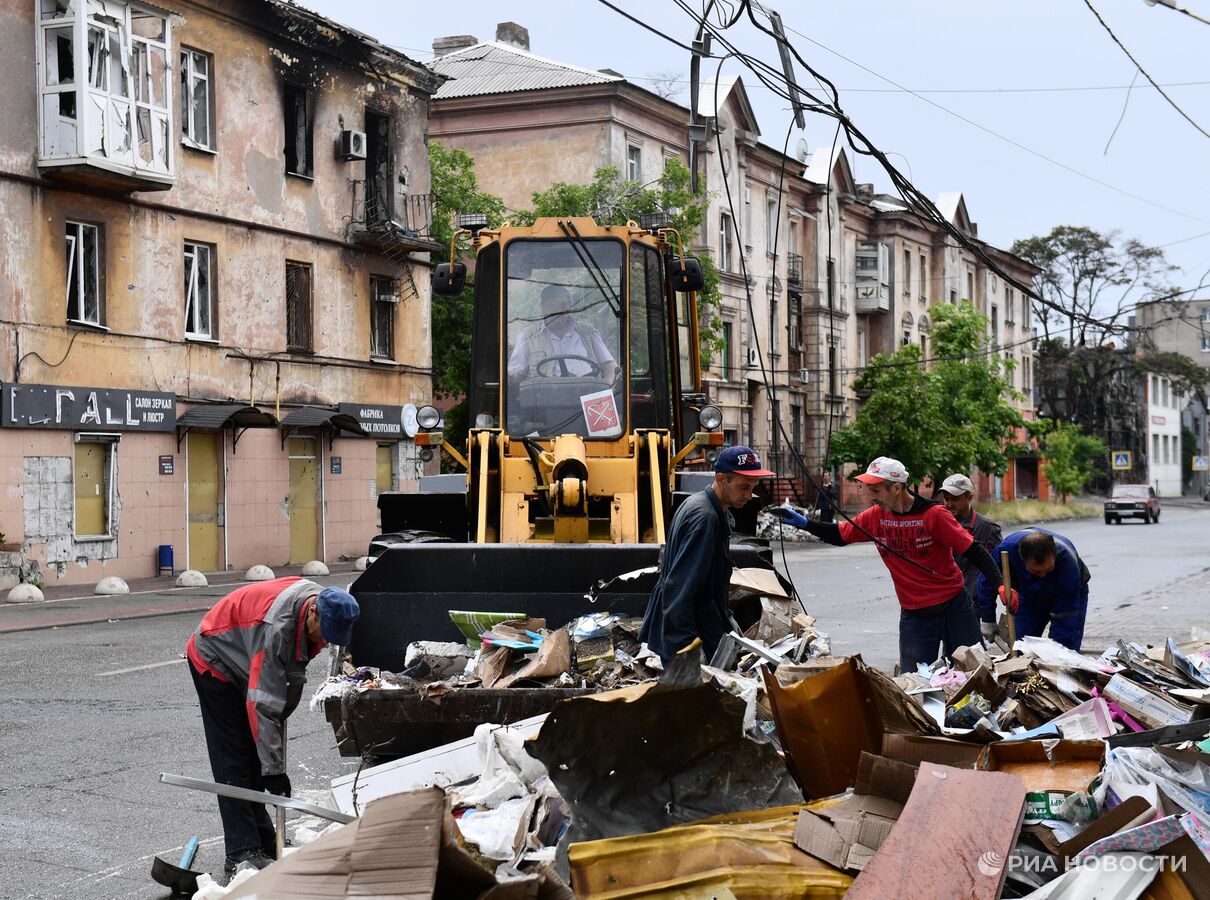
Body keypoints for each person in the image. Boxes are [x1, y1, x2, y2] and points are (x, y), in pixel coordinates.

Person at [186, 577, 359, 877]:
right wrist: (275, 770)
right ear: (313, 613)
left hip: (244, 657)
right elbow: (264, 705)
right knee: (235, 758)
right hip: (215, 658)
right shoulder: (278, 630)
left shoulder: (324, 607)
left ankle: (264, 841)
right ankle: (241, 851)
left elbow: (282, 690)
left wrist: (269, 762)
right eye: (325, 633)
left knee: (256, 754)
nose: (327, 642)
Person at [775, 457, 1010, 671]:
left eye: (876, 490)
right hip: (914, 613)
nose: (871, 496)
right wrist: (805, 523)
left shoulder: (935, 515)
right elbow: (840, 535)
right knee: (916, 682)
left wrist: (999, 584)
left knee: (973, 672)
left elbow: (973, 549)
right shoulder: (875, 516)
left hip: (954, 606)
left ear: (896, 488)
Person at [640, 445, 775, 664]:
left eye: (752, 487)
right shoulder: (705, 518)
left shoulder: (703, 506)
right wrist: (687, 648)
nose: (749, 495)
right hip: (689, 637)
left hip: (698, 629)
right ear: (722, 479)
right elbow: (681, 587)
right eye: (743, 487)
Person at [976, 529, 1090, 651]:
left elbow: (1065, 619)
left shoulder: (1068, 564)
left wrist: (1057, 655)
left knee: (1065, 649)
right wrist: (988, 618)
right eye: (1036, 571)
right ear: (1022, 559)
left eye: (1048, 569)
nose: (1042, 575)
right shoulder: (1007, 550)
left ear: (1054, 555)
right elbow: (987, 581)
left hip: (1069, 594)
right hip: (1029, 595)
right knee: (1021, 645)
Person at [507, 284, 617, 382]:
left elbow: (609, 366)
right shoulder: (527, 337)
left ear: (569, 306)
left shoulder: (588, 332)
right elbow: (516, 375)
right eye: (551, 305)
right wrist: (510, 377)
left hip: (588, 399)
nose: (558, 310)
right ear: (542, 307)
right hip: (544, 402)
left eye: (563, 305)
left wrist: (606, 392)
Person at [937, 473, 1003, 601]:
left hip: (973, 600)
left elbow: (997, 566)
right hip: (943, 598)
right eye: (946, 499)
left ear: (969, 497)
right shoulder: (936, 524)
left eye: (955, 499)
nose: (949, 504)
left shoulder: (987, 528)